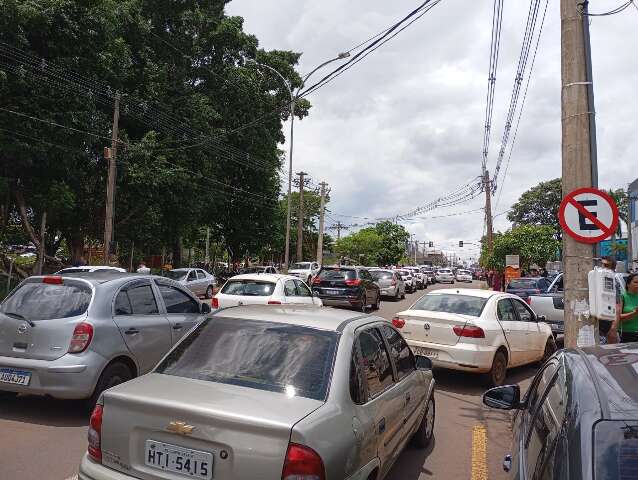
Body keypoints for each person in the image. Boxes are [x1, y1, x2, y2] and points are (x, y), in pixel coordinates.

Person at [609, 273, 638, 343]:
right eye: (635, 282)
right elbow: (618, 318)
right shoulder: (622, 297)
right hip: (626, 335)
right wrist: (635, 313)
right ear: (628, 284)